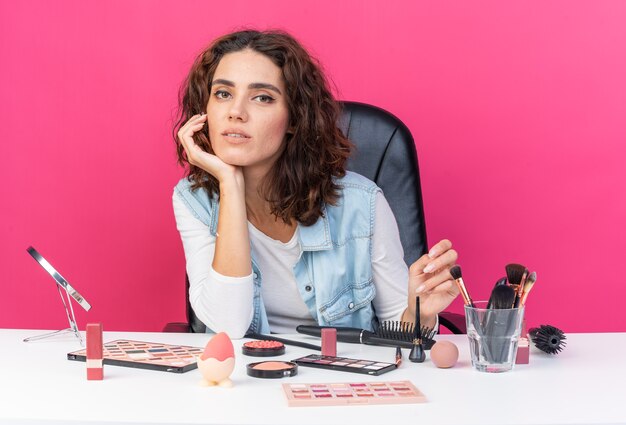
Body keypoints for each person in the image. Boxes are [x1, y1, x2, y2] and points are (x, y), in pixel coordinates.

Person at [172, 29, 459, 338]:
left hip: (341, 378)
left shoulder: (363, 204)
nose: (236, 112)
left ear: (294, 118)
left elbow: (401, 334)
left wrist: (422, 315)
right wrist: (229, 183)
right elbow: (228, 327)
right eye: (223, 94)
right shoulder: (193, 201)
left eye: (262, 98)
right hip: (248, 380)